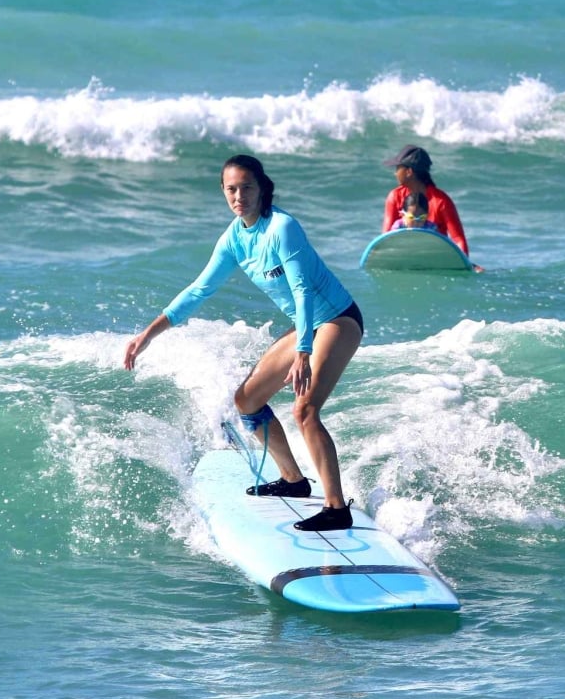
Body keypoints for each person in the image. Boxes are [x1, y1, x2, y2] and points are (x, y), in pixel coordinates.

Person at [122, 154, 362, 532]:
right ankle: (294, 482)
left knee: (305, 410)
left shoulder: (283, 228)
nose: (239, 196)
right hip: (308, 326)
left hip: (335, 319)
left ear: (262, 188)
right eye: (231, 189)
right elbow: (200, 289)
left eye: (247, 187)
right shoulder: (235, 237)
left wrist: (302, 353)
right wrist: (149, 333)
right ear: (223, 191)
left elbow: (302, 291)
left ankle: (336, 508)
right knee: (247, 401)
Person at [382, 144, 482, 270]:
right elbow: (386, 238)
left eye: (398, 168)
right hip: (405, 257)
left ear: (409, 172)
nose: (395, 173)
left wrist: (464, 265)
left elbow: (458, 239)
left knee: (479, 271)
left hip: (434, 259)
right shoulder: (394, 196)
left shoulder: (441, 201)